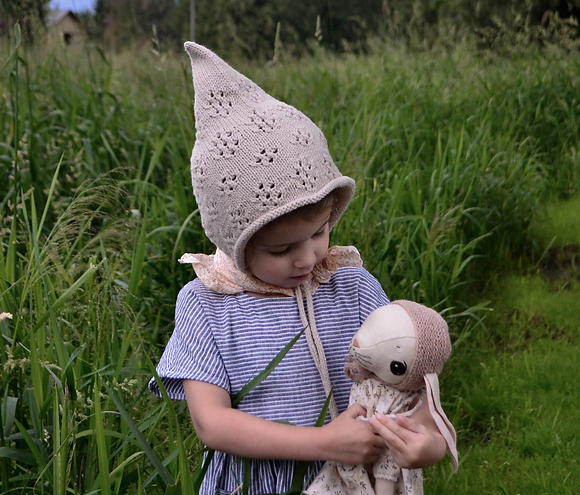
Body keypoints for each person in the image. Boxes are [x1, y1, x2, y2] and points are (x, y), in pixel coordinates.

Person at [149, 42, 453, 495]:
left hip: (359, 483)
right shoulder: (207, 304)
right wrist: (323, 443)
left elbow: (410, 386)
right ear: (234, 244)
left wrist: (427, 445)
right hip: (255, 484)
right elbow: (211, 422)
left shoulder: (352, 288)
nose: (308, 258)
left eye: (319, 232)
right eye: (280, 249)